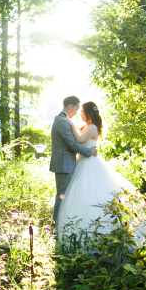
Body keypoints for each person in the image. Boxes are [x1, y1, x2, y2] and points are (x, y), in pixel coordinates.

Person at [56, 101, 144, 242]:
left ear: (90, 113)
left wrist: (70, 124)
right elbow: (78, 131)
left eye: (83, 112)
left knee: (91, 193)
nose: (80, 114)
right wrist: (69, 123)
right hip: (82, 161)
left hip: (88, 162)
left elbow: (78, 139)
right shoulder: (87, 126)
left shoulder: (92, 128)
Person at [50, 96, 98, 228]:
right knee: (62, 195)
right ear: (70, 106)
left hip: (68, 163)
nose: (77, 112)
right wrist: (90, 152)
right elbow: (72, 143)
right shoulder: (62, 121)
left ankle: (64, 226)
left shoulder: (62, 120)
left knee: (66, 195)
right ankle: (56, 227)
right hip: (64, 164)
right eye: (77, 109)